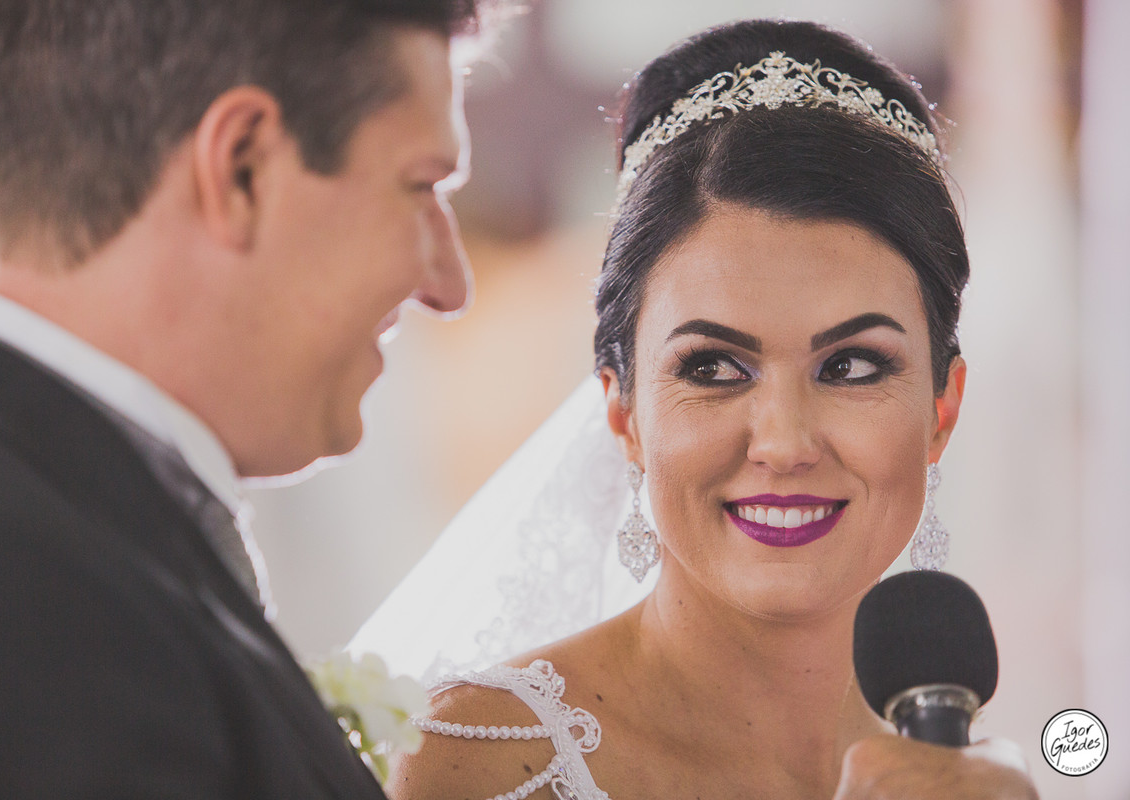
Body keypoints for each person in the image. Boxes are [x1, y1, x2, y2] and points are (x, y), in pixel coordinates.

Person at [375, 19, 1039, 800]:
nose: (784, 443)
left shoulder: (965, 781)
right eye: (714, 368)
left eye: (851, 367)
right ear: (622, 414)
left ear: (942, 409)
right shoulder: (484, 761)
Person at [0, 0, 489, 796]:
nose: (449, 285)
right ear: (242, 168)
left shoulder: (35, 531)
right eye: (421, 185)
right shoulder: (21, 600)